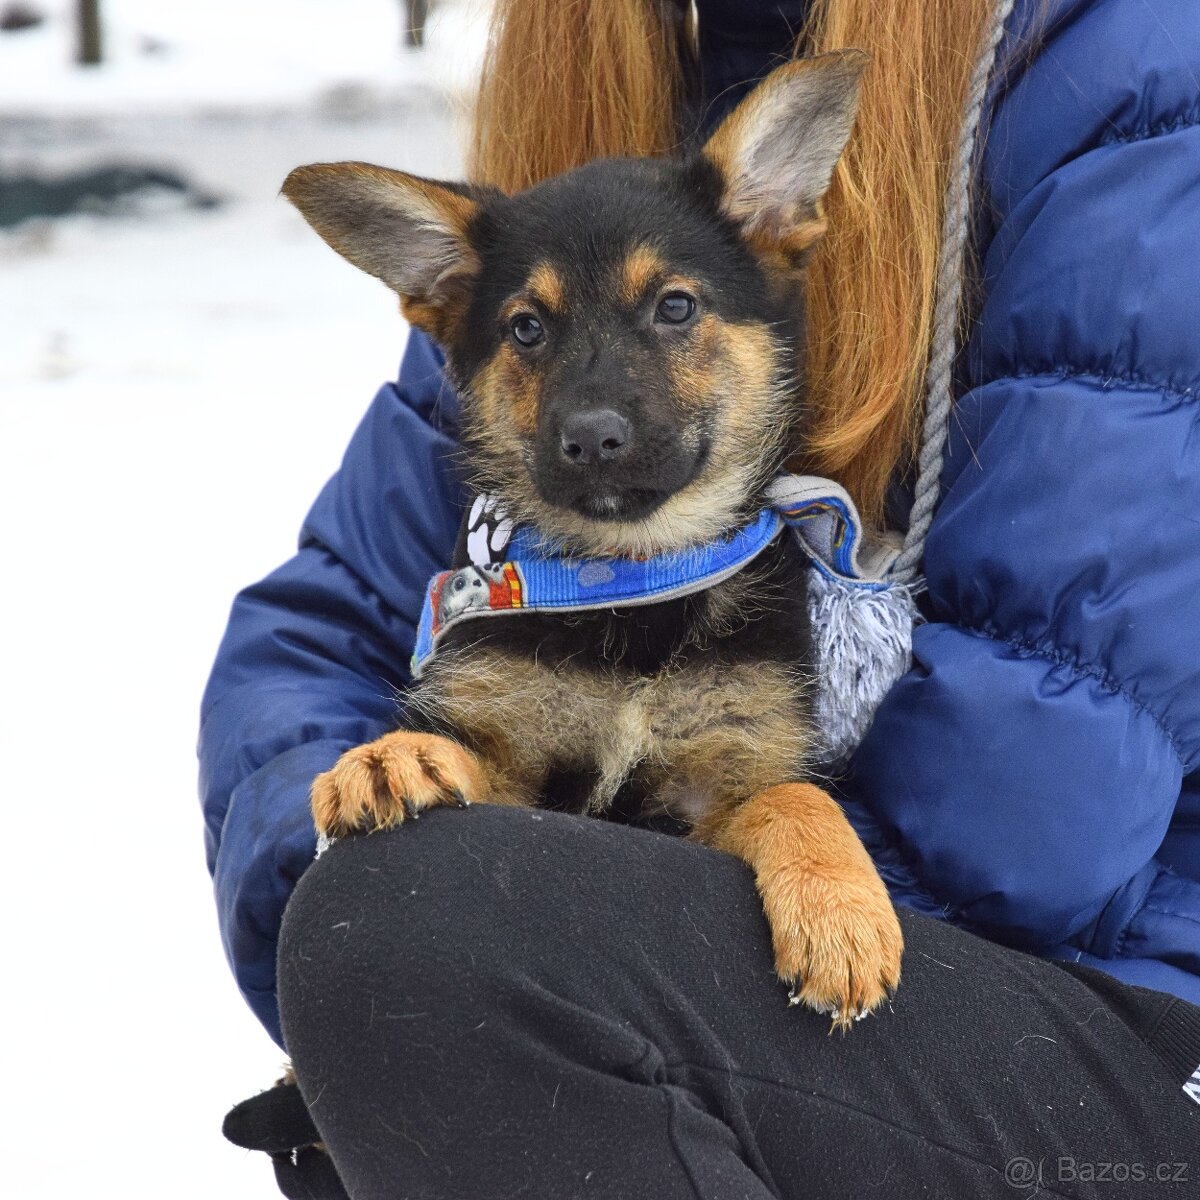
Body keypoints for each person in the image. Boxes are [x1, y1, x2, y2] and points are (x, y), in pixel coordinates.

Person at [203, 0, 1200, 1195]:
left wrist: (575, 917)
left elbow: (1051, 785)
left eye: (672, 312)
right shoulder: (587, 151)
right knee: (412, 958)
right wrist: (351, 873)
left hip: (1110, 1027)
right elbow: (313, 634)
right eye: (534, 334)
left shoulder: (1132, 70)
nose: (597, 408)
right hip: (631, 959)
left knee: (440, 956)